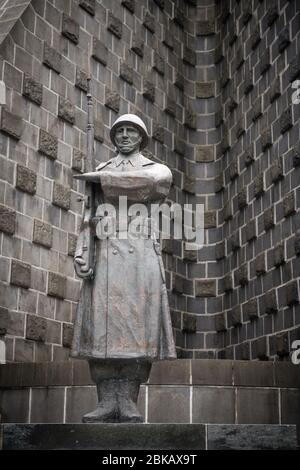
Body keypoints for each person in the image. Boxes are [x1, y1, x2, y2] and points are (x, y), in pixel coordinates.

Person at [71, 114, 176, 423]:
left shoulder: (153, 169)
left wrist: (100, 180)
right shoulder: (100, 169)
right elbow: (87, 214)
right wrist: (82, 251)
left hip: (139, 257)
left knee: (136, 333)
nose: (125, 135)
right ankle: (105, 400)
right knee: (100, 333)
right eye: (120, 131)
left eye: (132, 131)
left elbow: (155, 186)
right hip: (105, 253)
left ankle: (128, 400)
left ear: (142, 137)